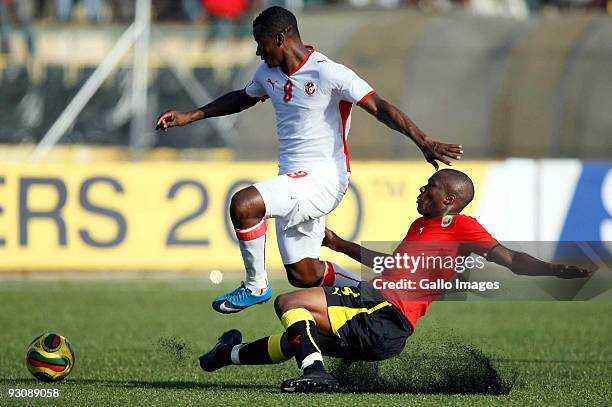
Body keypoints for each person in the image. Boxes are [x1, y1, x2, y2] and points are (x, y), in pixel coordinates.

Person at [156, 6, 463, 314]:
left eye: (261, 42)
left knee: (244, 204)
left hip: (324, 179)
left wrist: (423, 141)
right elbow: (242, 98)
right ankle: (375, 292)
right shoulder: (267, 74)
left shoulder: (328, 72)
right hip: (293, 179)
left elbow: (380, 107)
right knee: (304, 274)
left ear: (279, 38)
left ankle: (255, 285)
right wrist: (191, 116)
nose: (258, 51)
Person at [198, 169, 592, 393]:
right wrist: (338, 244)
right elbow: (387, 263)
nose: (423, 189)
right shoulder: (422, 224)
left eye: (431, 187)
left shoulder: (462, 227)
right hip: (386, 329)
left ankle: (315, 375)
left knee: (289, 303)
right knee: (296, 338)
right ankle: (225, 355)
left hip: (383, 312)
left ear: (451, 200)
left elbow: (512, 260)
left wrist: (554, 269)